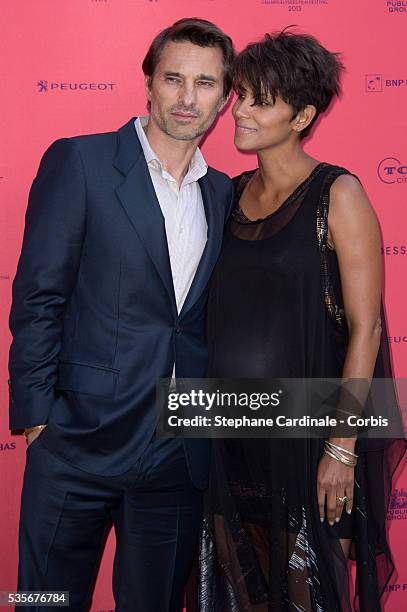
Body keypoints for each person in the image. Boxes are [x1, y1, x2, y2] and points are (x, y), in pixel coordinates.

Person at [8, 18, 234, 611]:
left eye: (205, 83)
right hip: (76, 441)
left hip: (177, 453)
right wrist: (39, 421)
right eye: (174, 79)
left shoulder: (224, 194)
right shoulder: (81, 163)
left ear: (224, 97)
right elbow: (38, 297)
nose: (188, 98)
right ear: (149, 83)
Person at [188, 31, 406, 611]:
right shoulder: (226, 196)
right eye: (242, 96)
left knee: (303, 591)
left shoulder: (338, 194)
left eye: (262, 101)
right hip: (225, 430)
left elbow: (367, 329)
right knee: (236, 589)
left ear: (302, 115)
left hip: (304, 437)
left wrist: (342, 445)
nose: (241, 112)